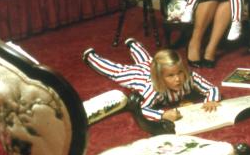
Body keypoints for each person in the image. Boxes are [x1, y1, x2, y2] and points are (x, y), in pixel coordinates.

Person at [83, 39, 220, 122]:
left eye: (180, 73)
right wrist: (162, 115)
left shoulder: (189, 78)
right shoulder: (153, 89)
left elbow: (211, 88)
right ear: (160, 77)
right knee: (117, 71)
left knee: (148, 60)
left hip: (154, 67)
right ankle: (91, 57)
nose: (178, 79)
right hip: (140, 77)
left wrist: (211, 99)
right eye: (171, 76)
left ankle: (133, 44)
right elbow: (142, 109)